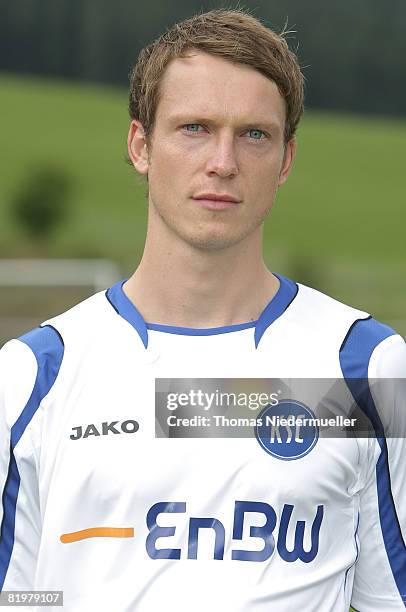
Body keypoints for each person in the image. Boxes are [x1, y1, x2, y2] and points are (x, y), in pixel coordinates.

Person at [0, 8, 405, 612]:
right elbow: (25, 597)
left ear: (286, 160)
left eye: (254, 134)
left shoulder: (362, 368)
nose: (223, 161)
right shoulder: (35, 374)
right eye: (194, 127)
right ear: (141, 145)